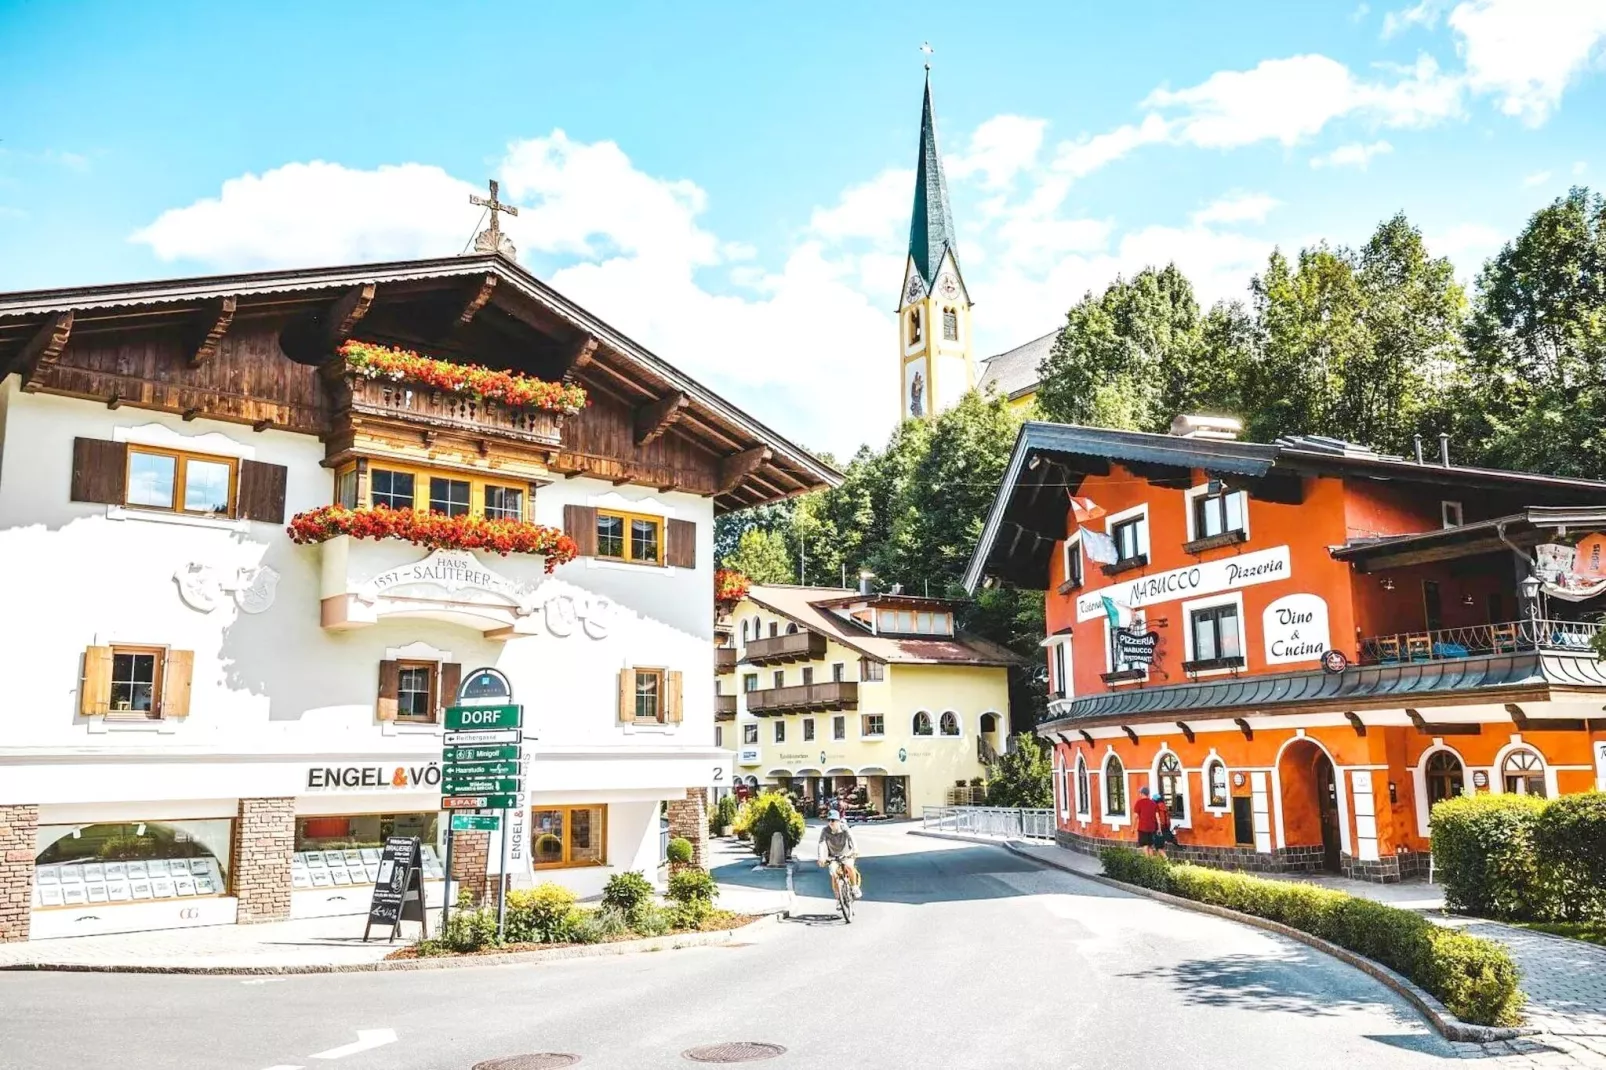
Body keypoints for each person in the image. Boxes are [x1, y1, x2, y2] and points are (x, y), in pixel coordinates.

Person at [816, 808, 862, 901]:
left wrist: (855, 850)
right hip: (832, 856)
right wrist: (821, 857)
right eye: (829, 820)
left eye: (833, 820)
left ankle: (854, 887)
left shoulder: (844, 828)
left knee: (849, 866)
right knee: (834, 874)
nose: (830, 822)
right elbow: (821, 843)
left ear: (838, 821)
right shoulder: (825, 830)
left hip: (846, 854)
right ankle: (838, 898)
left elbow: (851, 838)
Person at [1134, 786, 1161, 856]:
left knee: (1144, 845)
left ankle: (1147, 862)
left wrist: (1132, 828)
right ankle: (1151, 862)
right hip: (1152, 828)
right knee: (1150, 846)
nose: (1139, 794)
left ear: (1142, 793)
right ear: (1148, 794)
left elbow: (1136, 816)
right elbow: (1158, 817)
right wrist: (1159, 829)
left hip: (1142, 827)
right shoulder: (1153, 803)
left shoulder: (1139, 803)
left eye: (1140, 793)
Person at [1154, 793, 1173, 859]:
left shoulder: (1156, 807)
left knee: (1158, 847)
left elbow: (1157, 818)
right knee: (1161, 846)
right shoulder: (1165, 807)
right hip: (1166, 828)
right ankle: (1160, 861)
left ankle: (1166, 859)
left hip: (1159, 829)